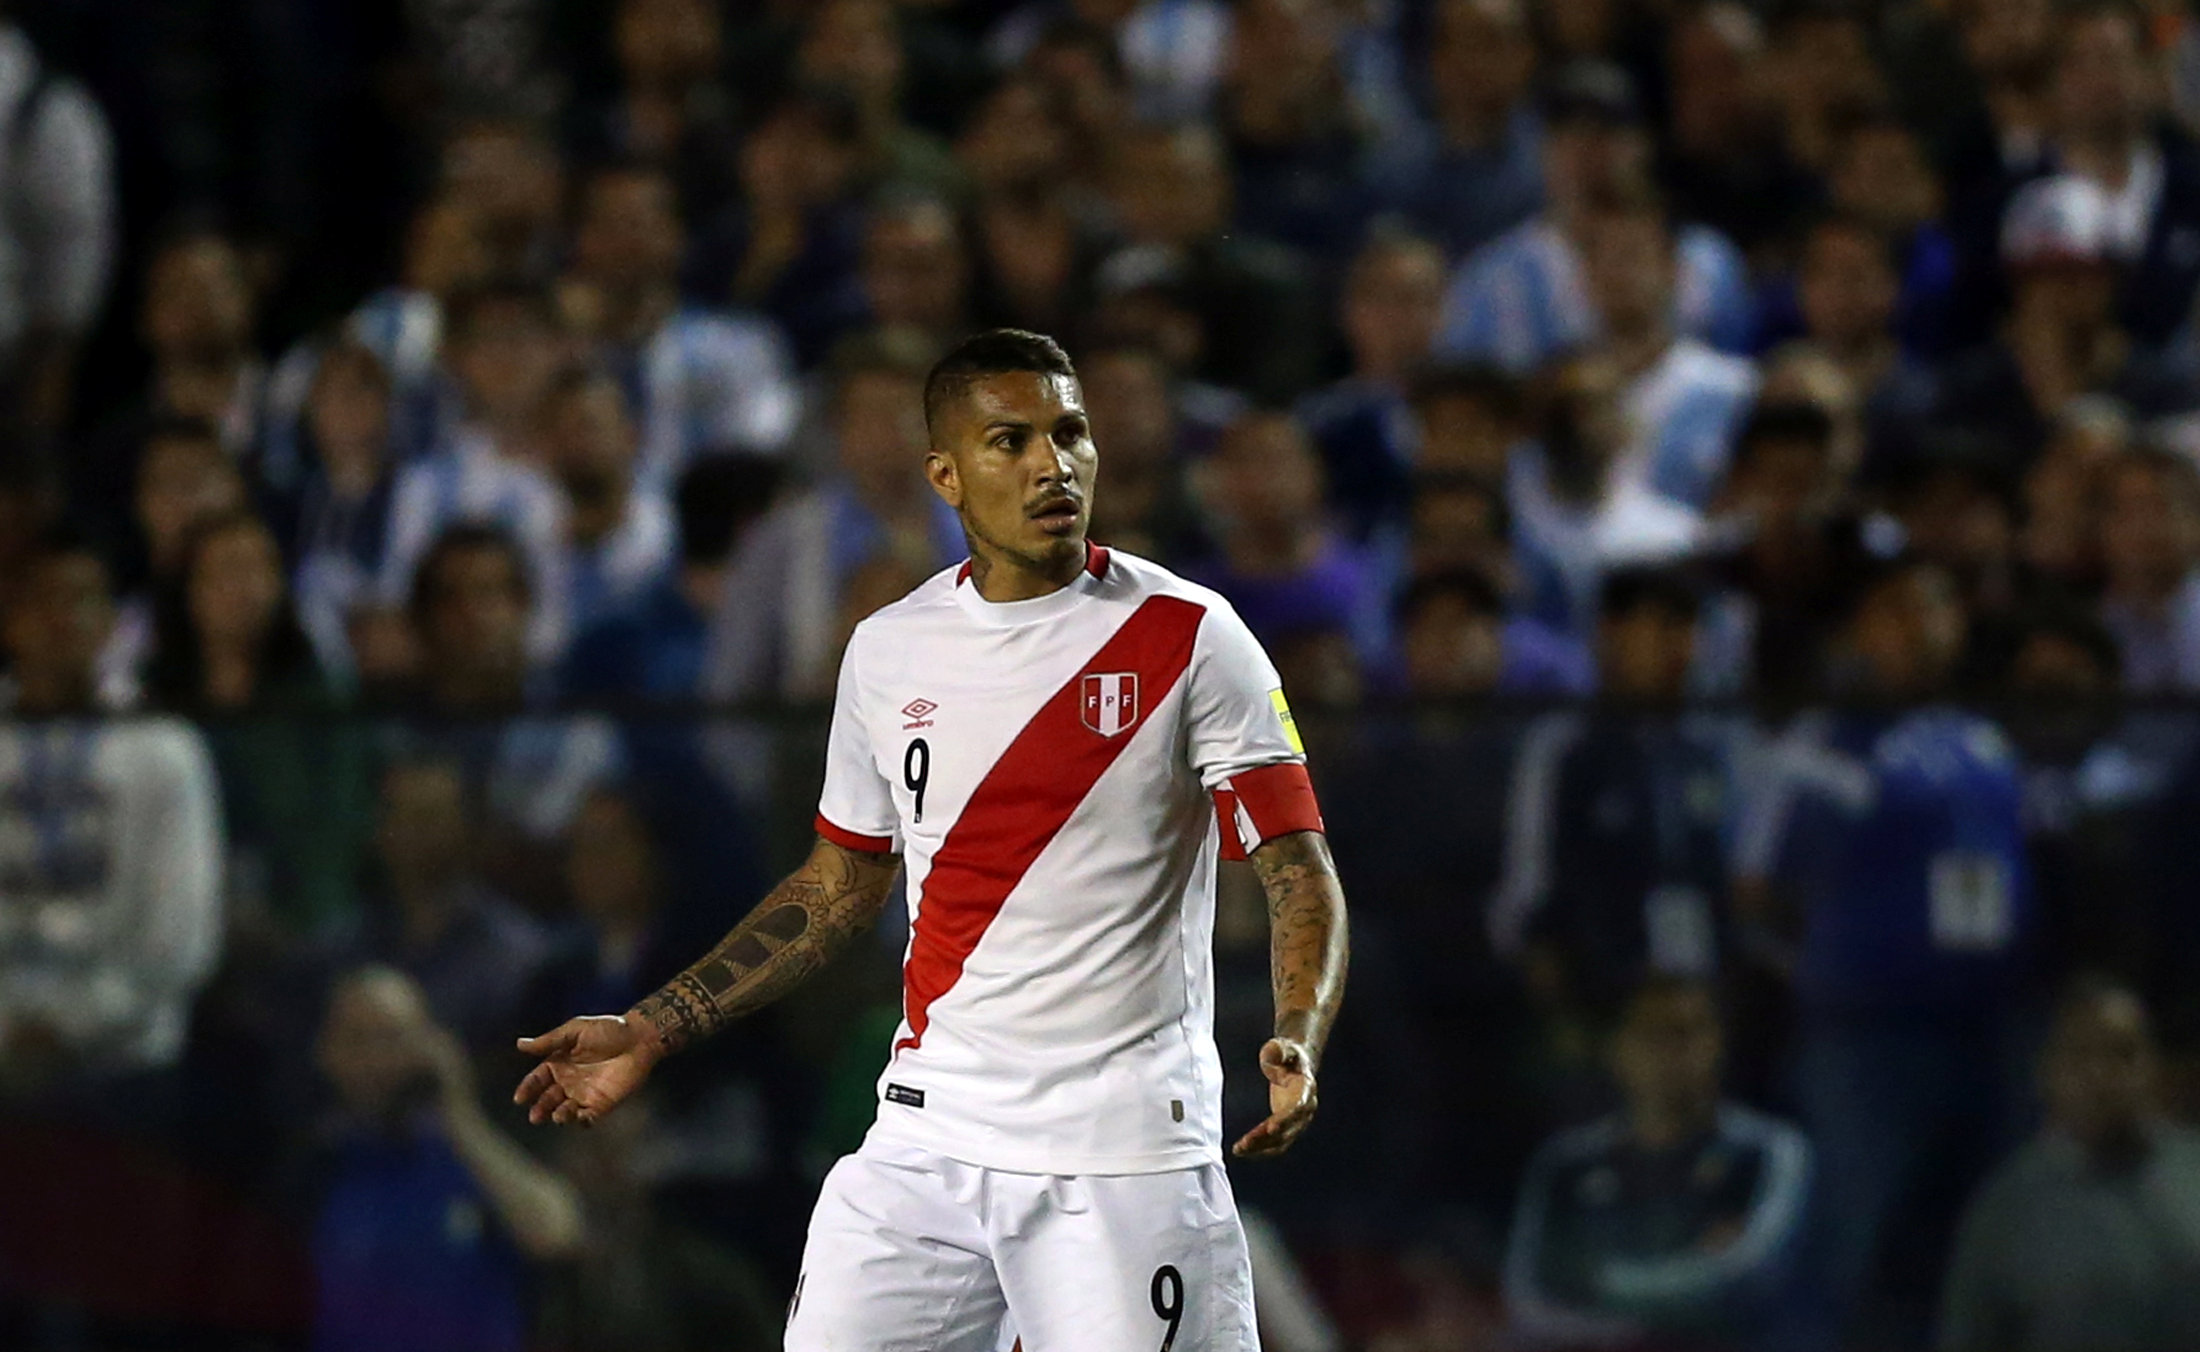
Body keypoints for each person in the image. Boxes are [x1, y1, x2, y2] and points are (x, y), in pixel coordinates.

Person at [515, 329, 1350, 1350]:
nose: (1052, 462)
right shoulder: (887, 648)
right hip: (925, 1139)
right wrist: (654, 1023)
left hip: (1122, 1151)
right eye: (1011, 439)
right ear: (943, 474)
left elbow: (1296, 868)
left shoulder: (1190, 633)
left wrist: (1298, 1032)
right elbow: (837, 886)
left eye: (1069, 432)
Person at [1736, 556, 2034, 1350]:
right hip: (1865, 1043)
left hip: (1984, 1034)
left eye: (1937, 610)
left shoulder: (1985, 740)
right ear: (1861, 631)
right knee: (1844, 1247)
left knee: (1965, 1251)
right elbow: (1756, 889)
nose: (1922, 628)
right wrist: (1822, 976)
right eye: (1898, 611)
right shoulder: (1822, 742)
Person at [0, 532, 221, 1100]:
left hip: (127, 1068)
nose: (62, 619)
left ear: (109, 623)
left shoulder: (164, 747)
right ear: (11, 619)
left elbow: (181, 935)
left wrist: (70, 1027)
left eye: (82, 599)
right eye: (42, 600)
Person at [1503, 977, 1816, 1351]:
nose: (1672, 1051)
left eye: (1689, 1032)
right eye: (1653, 1034)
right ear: (1615, 1048)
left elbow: (1748, 1280)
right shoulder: (1566, 1165)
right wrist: (1686, 1279)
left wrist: (1595, 1281)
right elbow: (1527, 1296)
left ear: (1719, 1042)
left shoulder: (1769, 1151)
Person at [310, 966, 581, 1352]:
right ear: (327, 1052)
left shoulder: (474, 1151)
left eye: (393, 1039)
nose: (376, 1060)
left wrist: (460, 1116)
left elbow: (557, 1234)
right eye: (357, 1040)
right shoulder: (314, 1166)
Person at [1940, 981, 2200, 1352]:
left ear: (2154, 1065)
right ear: (2048, 1072)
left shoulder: (2193, 1174)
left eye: (2122, 1054)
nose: (2100, 1075)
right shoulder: (2008, 1208)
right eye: (2080, 1056)